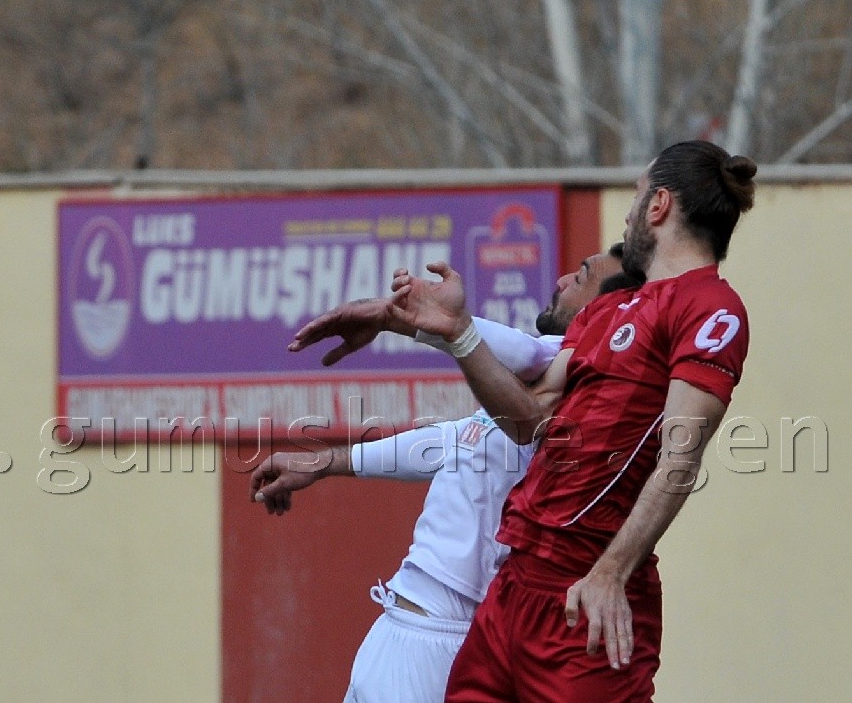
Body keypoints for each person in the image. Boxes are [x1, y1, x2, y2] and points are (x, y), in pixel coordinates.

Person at [292, 140, 757, 701]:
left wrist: (612, 572)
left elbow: (680, 457)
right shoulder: (607, 311)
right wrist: (456, 334)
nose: (629, 213)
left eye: (636, 197)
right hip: (513, 587)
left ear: (658, 205)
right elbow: (527, 420)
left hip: (585, 589)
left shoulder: (712, 308)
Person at [256, 246, 638, 703]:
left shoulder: (585, 374)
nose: (561, 282)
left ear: (611, 307)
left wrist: (406, 319)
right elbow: (459, 441)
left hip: (447, 640)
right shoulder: (541, 380)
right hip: (401, 625)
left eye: (580, 276)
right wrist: (324, 463)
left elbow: (525, 349)